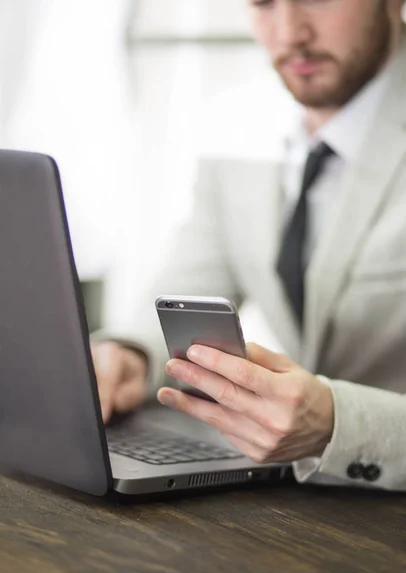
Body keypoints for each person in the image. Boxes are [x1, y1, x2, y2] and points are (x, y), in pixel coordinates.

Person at [92, 0, 406, 491]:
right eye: (263, 3)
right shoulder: (240, 127)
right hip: (296, 518)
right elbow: (181, 296)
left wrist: (339, 422)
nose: (288, 34)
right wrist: (129, 356)